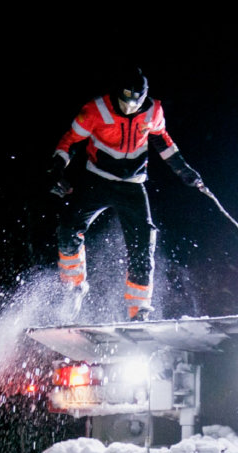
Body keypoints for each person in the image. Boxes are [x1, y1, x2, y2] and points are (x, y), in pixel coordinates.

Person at [48, 66, 206, 320]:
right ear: (116, 95)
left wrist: (184, 171)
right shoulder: (95, 111)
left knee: (143, 242)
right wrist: (57, 170)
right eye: (125, 100)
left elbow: (161, 140)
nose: (131, 106)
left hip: (132, 184)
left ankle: (138, 310)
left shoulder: (153, 111)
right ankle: (73, 286)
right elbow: (71, 141)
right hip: (97, 179)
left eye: (137, 101)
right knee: (68, 228)